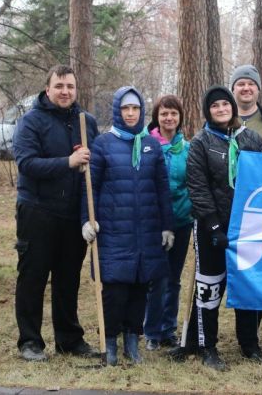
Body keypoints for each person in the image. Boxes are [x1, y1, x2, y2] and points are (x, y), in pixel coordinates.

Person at [81, 87, 174, 366]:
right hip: (113, 230)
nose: (131, 114)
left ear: (142, 111)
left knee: (139, 288)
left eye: (135, 108)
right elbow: (90, 187)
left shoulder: (151, 145)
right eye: (125, 109)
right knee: (115, 290)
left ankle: (132, 342)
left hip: (145, 230)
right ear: (117, 111)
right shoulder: (103, 144)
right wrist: (87, 218)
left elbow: (161, 188)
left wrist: (166, 226)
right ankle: (109, 343)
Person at [12, 65, 99, 362]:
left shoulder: (85, 122)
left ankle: (69, 339)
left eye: (70, 86)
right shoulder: (31, 122)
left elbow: (96, 165)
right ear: (48, 89)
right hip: (37, 210)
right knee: (33, 278)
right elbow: (26, 164)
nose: (65, 91)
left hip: (72, 213)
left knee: (68, 278)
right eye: (60, 86)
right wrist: (68, 162)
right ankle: (30, 342)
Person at [181, 85, 262, 371]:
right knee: (210, 288)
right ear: (208, 111)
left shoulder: (250, 138)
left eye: (225, 105)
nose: (221, 110)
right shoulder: (201, 143)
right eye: (215, 106)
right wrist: (214, 225)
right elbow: (198, 187)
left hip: (248, 227)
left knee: (247, 285)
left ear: (232, 107)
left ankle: (250, 344)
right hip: (212, 229)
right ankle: (209, 347)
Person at [143, 95, 193, 351]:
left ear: (180, 117)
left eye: (173, 113)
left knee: (173, 278)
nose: (169, 118)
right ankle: (151, 331)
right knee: (156, 278)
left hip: (181, 220)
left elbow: (192, 184)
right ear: (157, 117)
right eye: (164, 114)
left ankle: (167, 329)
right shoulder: (146, 145)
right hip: (153, 221)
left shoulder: (187, 148)